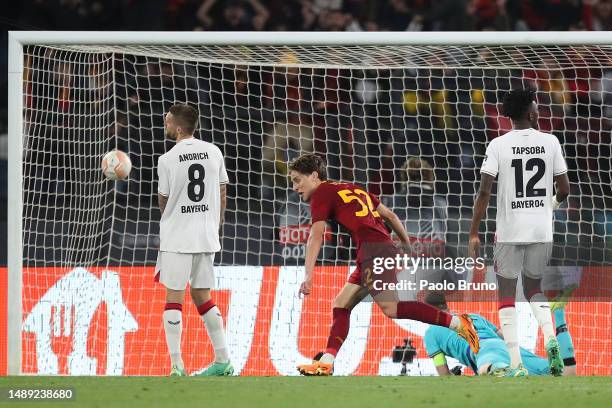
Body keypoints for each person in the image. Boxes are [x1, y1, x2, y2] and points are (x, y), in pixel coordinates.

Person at [289, 153, 480, 376]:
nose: (294, 187)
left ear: (314, 176)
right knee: (341, 304)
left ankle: (458, 324)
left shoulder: (321, 192)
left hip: (373, 249)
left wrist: (308, 275)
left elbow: (316, 234)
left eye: (296, 180)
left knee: (392, 308)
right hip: (373, 249)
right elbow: (389, 215)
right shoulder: (350, 188)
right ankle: (327, 362)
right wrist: (406, 245)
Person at [469, 89, 571, 376]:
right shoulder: (550, 141)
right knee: (534, 289)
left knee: (506, 294)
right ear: (531, 113)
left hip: (509, 230)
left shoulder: (498, 145)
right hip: (541, 230)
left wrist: (473, 233)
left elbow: (484, 191)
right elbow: (564, 189)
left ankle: (515, 363)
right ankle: (551, 339)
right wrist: (548, 207)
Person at [155, 103, 233, 376]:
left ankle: (177, 365)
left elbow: (163, 201)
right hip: (207, 234)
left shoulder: (166, 160)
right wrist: (215, 224)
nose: (165, 126)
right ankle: (223, 360)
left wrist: (176, 219)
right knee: (202, 295)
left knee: (174, 298)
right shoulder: (214, 151)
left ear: (178, 128)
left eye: (167, 122)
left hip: (178, 236)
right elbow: (222, 194)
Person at [423, 289, 577, 377]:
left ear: (428, 311)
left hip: (483, 350)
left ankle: (501, 369)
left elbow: (443, 373)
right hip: (508, 347)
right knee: (566, 373)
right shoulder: (473, 316)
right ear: (446, 306)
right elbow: (504, 334)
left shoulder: (431, 332)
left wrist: (457, 377)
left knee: (488, 369)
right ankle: (558, 313)